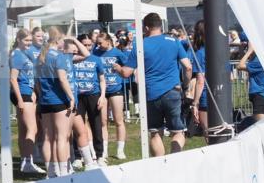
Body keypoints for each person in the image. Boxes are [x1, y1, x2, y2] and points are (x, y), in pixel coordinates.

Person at [123, 12, 192, 156]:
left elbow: (126, 73)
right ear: (160, 26)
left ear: (146, 27)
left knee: (155, 133)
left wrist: (117, 68)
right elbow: (188, 67)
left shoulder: (140, 45)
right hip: (173, 91)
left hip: (151, 93)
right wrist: (185, 86)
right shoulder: (173, 41)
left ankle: (160, 167)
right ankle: (174, 159)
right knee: (178, 132)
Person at [36, 27, 77, 178]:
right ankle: (64, 172)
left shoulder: (40, 57)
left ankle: (51, 171)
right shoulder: (58, 56)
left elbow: (37, 83)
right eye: (62, 40)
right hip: (59, 100)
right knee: (61, 137)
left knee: (47, 138)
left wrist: (41, 96)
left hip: (45, 101)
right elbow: (62, 78)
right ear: (57, 40)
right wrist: (71, 97)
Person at [9, 30, 44, 174]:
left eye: (30, 40)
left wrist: (34, 91)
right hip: (22, 93)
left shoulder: (25, 53)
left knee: (24, 130)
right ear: (18, 39)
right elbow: (13, 79)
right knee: (32, 129)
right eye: (26, 40)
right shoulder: (17, 55)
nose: (29, 43)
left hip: (27, 92)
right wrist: (20, 100)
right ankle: (28, 161)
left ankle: (25, 161)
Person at [71, 35, 107, 166]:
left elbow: (102, 80)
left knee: (96, 125)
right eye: (84, 44)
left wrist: (102, 96)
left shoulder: (97, 59)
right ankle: (77, 156)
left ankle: (99, 155)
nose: (87, 47)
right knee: (77, 127)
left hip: (94, 95)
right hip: (77, 96)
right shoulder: (73, 58)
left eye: (89, 45)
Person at [95, 32, 128, 160]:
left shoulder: (117, 53)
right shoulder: (96, 52)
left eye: (100, 43)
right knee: (103, 122)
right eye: (97, 43)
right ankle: (104, 151)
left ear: (108, 41)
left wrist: (119, 68)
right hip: (102, 90)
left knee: (119, 120)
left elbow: (127, 68)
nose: (98, 45)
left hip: (116, 89)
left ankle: (120, 150)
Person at [237, 42, 264, 122]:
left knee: (262, 127)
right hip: (262, 96)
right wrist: (242, 49)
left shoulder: (259, 61)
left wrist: (249, 51)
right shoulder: (257, 58)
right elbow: (244, 61)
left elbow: (239, 66)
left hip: (260, 97)